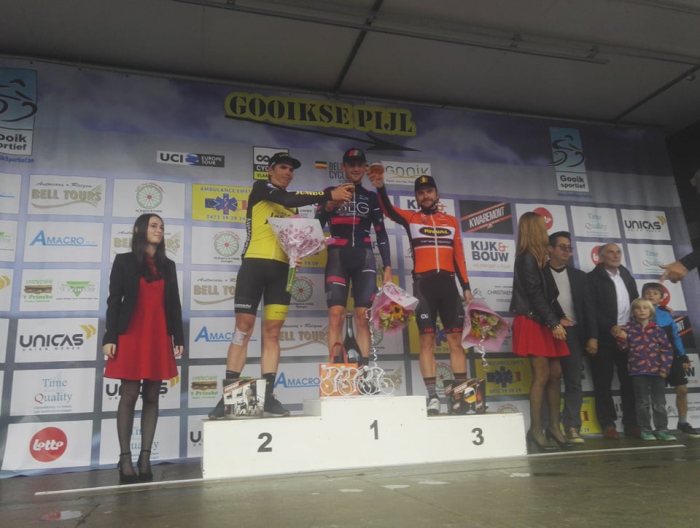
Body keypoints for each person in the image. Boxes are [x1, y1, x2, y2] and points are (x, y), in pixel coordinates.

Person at [209, 152, 354, 419]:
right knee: (243, 329)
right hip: (254, 265)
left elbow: (303, 234)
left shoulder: (293, 209)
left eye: (291, 170)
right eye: (283, 167)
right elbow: (287, 198)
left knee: (273, 332)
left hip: (281, 272)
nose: (288, 172)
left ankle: (268, 396)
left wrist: (323, 215)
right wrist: (328, 194)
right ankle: (229, 395)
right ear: (270, 170)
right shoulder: (261, 188)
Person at [369, 169, 473, 415]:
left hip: (449, 285)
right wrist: (381, 187)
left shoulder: (451, 221)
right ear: (416, 197)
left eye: (429, 191)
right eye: (421, 193)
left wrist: (466, 287)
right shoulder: (411, 218)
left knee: (456, 341)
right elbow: (389, 210)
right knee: (426, 341)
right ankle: (433, 397)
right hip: (424, 285)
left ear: (437, 193)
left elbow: (458, 257)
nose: (425, 196)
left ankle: (460, 397)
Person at [103, 214, 184, 484]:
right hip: (130, 334)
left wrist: (178, 337)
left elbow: (174, 304)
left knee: (152, 395)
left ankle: (145, 458)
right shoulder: (124, 261)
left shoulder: (168, 265)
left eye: (162, 227)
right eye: (154, 226)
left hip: (158, 335)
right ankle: (125, 458)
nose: (159, 230)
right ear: (139, 230)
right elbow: (114, 300)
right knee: (129, 395)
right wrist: (109, 337)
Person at [316, 148, 392, 374]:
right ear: (343, 167)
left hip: (364, 258)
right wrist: (327, 206)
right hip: (337, 258)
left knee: (362, 317)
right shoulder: (330, 192)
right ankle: (337, 374)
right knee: (335, 316)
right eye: (351, 165)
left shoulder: (371, 197)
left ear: (365, 167)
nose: (356, 169)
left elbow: (381, 233)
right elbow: (315, 226)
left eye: (360, 164)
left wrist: (388, 267)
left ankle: (364, 375)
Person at [510, 213, 570, 451]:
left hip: (545, 320)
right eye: (542, 227)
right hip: (533, 320)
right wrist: (553, 323)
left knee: (556, 374)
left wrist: (559, 316)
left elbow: (549, 294)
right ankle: (536, 430)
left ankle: (554, 427)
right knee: (542, 375)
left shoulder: (540, 256)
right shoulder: (526, 257)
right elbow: (534, 295)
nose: (546, 230)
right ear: (534, 229)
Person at [544, 231, 597, 444]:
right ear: (550, 249)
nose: (567, 251)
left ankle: (572, 427)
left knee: (574, 381)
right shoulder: (539, 273)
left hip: (573, 334)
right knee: (549, 379)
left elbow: (589, 308)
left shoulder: (579, 276)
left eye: (569, 248)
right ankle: (548, 426)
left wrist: (592, 337)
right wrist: (555, 321)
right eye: (562, 247)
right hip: (547, 332)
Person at [587, 243, 640, 439]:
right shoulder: (591, 278)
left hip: (627, 335)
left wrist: (658, 309)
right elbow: (590, 310)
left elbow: (636, 303)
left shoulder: (626, 276)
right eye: (611, 252)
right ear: (601, 257)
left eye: (618, 252)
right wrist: (609, 326)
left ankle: (631, 423)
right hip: (603, 337)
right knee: (603, 381)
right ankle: (607, 424)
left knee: (630, 380)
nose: (616, 255)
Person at [642, 283, 700, 438]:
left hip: (671, 357)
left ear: (662, 298)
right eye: (647, 293)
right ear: (642, 296)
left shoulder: (666, 314)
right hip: (652, 359)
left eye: (655, 293)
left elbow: (675, 337)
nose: (651, 295)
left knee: (683, 390)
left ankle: (683, 422)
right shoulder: (638, 314)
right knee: (656, 396)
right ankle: (655, 428)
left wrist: (683, 356)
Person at [613, 298, 675, 441]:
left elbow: (667, 349)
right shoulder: (628, 329)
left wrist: (664, 368)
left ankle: (662, 429)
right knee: (642, 403)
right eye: (638, 308)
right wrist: (621, 339)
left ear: (651, 312)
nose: (642, 310)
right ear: (633, 312)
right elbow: (623, 349)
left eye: (645, 308)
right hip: (638, 371)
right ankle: (645, 430)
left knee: (659, 403)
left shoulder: (657, 330)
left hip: (657, 372)